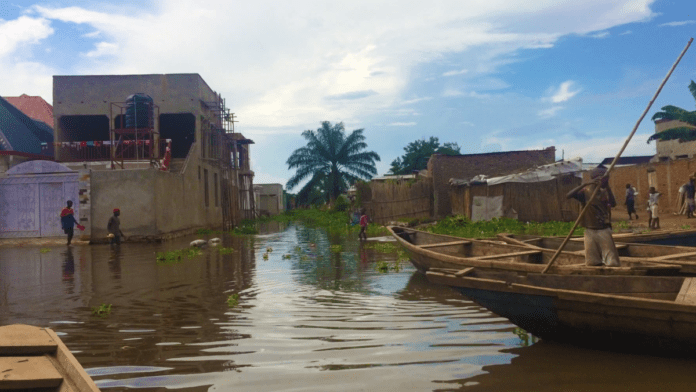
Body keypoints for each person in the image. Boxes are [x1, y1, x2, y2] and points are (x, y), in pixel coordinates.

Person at [567, 165, 620, 267]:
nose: (606, 181)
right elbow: (568, 195)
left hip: (603, 230)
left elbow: (613, 203)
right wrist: (584, 184)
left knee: (612, 261)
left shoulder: (604, 192)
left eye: (607, 179)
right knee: (592, 261)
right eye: (605, 179)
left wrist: (607, 186)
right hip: (589, 230)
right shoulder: (585, 193)